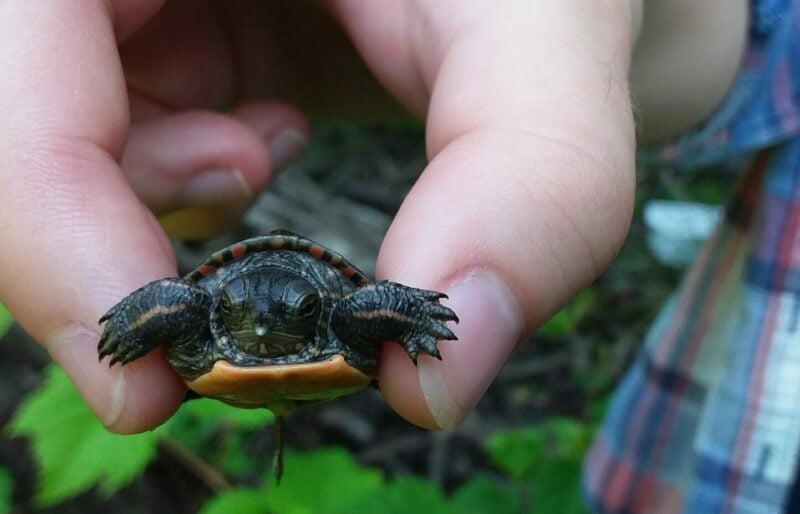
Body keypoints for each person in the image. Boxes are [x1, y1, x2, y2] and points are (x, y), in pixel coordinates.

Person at [0, 0, 789, 512]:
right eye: (244, 313)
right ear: (223, 309)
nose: (268, 322)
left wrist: (416, 315)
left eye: (297, 313)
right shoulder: (203, 316)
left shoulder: (341, 319)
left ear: (318, 310)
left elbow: (375, 307)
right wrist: (136, 320)